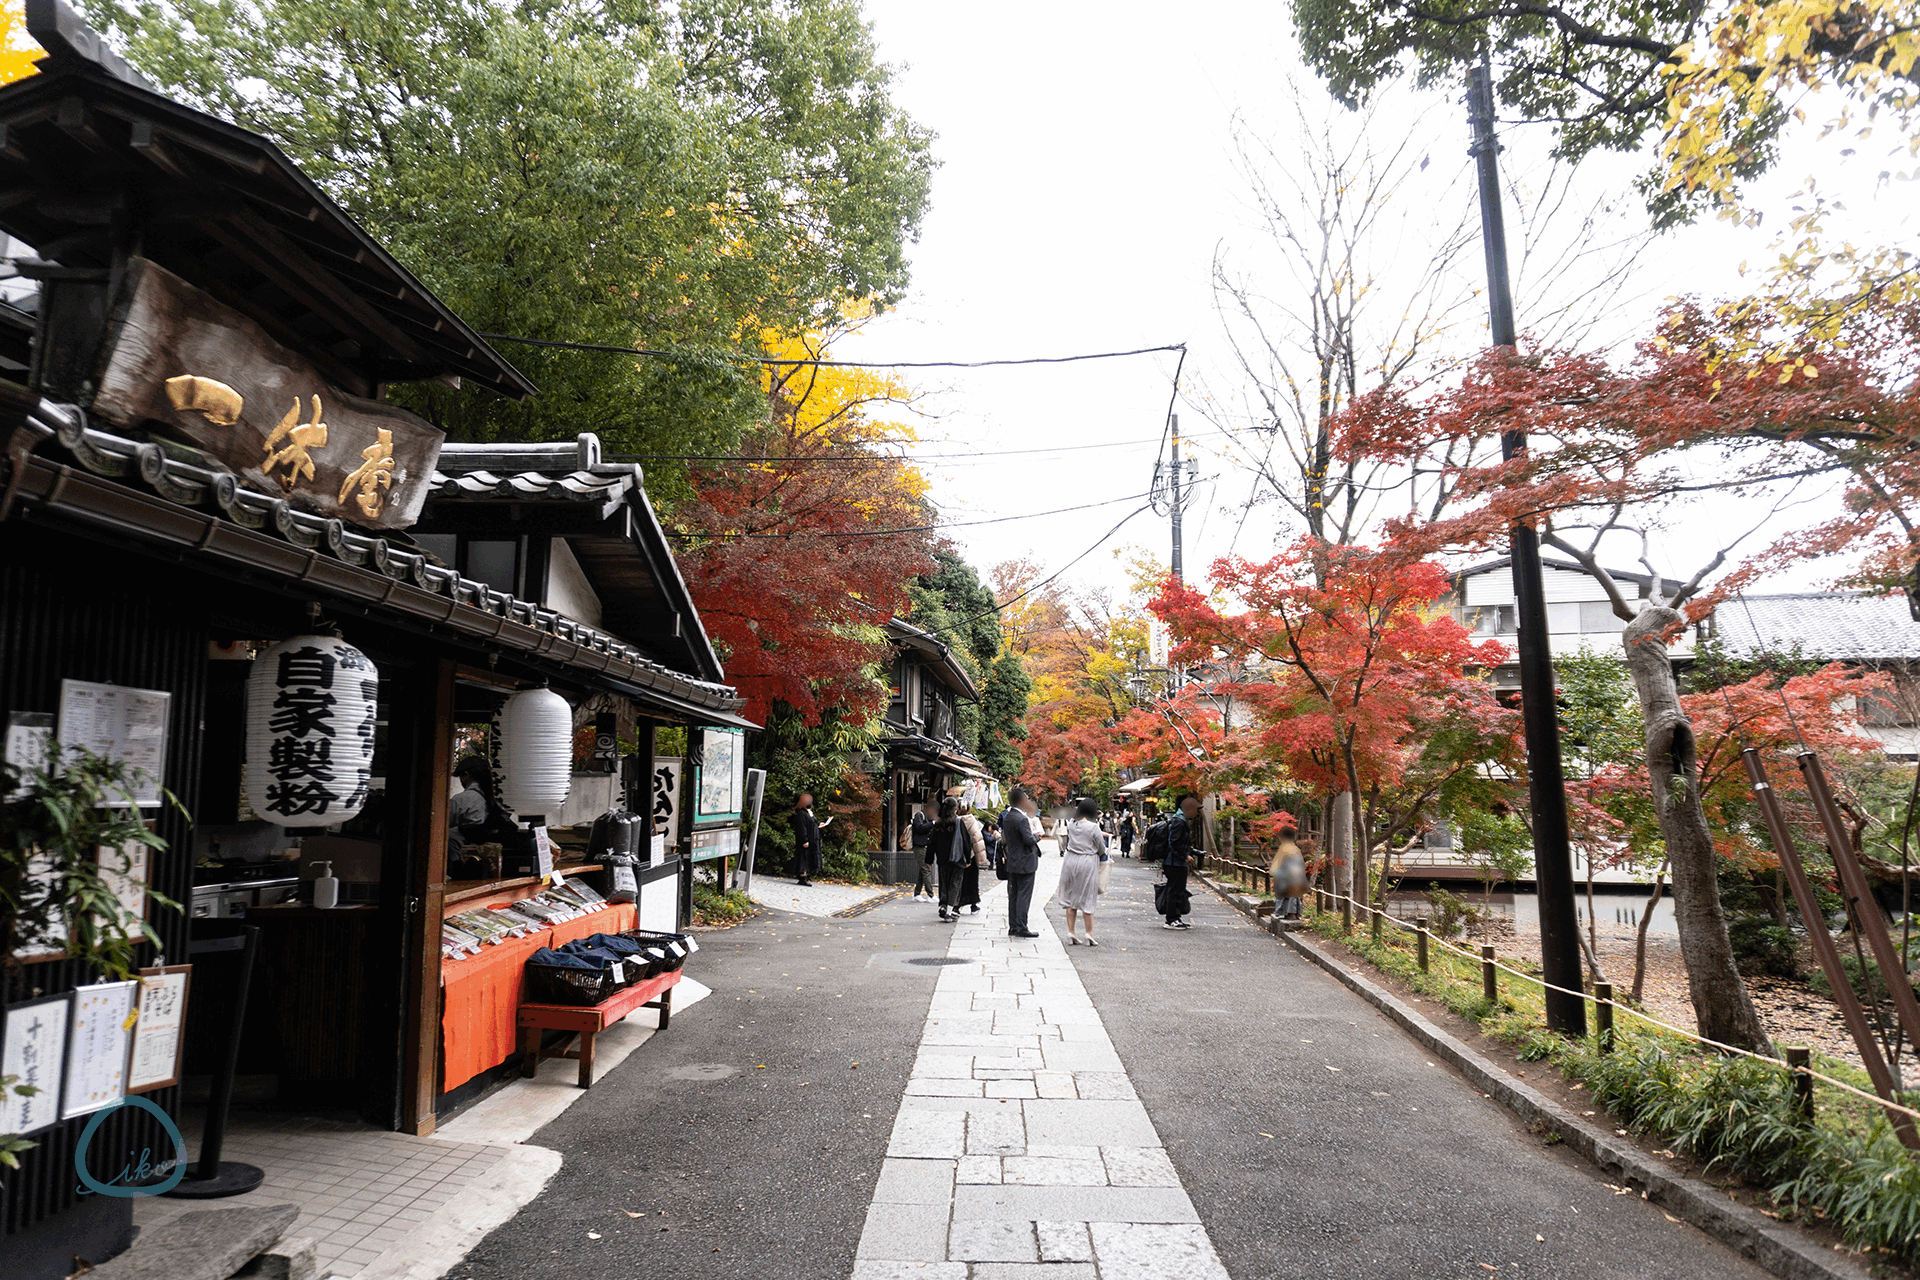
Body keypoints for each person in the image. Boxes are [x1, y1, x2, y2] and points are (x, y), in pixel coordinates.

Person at [1057, 797, 1108, 945]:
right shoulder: (1093, 827)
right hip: (1087, 860)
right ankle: (1088, 933)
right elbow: (1101, 847)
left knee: (1071, 898)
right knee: (1088, 897)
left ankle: (1071, 932)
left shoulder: (1072, 824)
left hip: (1070, 859)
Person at [998, 787, 1042, 938]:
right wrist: (1037, 836)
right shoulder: (1022, 819)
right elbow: (1028, 839)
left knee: (1014, 894)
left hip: (1012, 860)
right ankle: (1022, 926)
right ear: (1020, 801)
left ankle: (1013, 926)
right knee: (1024, 895)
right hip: (1025, 862)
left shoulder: (1008, 816)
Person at [1158, 793, 1200, 929]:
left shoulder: (1180, 819)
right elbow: (1175, 842)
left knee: (1177, 890)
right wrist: (1185, 856)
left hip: (1175, 861)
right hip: (1174, 862)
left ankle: (1175, 918)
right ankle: (1172, 919)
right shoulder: (1179, 821)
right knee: (1175, 890)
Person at [1269, 823, 1307, 921]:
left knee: (1286, 897)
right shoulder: (1296, 849)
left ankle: (1288, 913)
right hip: (1297, 877)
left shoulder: (1284, 849)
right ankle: (1294, 913)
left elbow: (1277, 865)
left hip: (1286, 877)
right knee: (1294, 897)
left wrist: (1273, 873)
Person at [956, 803, 989, 914]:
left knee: (958, 881)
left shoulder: (954, 820)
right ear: (969, 809)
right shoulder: (971, 820)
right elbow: (977, 840)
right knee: (972, 880)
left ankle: (956, 905)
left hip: (957, 855)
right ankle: (973, 905)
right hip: (970, 855)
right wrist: (981, 859)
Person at [789, 793, 824, 886]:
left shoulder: (809, 814)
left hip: (812, 839)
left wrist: (819, 825)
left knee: (807, 858)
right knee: (803, 858)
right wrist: (804, 840)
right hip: (806, 839)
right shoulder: (801, 814)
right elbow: (802, 828)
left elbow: (812, 824)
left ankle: (804, 876)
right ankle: (802, 877)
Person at [910, 799, 937, 901]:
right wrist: (933, 823)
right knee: (926, 870)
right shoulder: (919, 816)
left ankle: (917, 894)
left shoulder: (928, 819)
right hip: (919, 847)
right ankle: (930, 895)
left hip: (925, 847)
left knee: (922, 871)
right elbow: (920, 828)